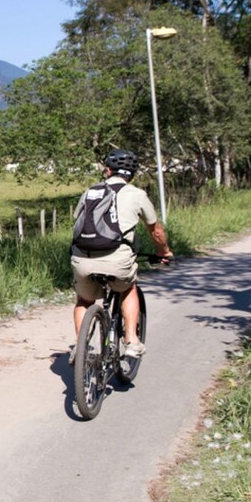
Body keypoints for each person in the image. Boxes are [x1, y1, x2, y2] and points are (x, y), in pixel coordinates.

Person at [69, 149, 173, 364]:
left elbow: (77, 222)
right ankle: (132, 341)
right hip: (117, 259)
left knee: (84, 300)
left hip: (82, 258)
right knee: (128, 288)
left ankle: (81, 348)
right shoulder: (136, 194)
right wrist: (164, 252)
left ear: (108, 171)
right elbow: (156, 231)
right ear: (132, 174)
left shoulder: (90, 191)